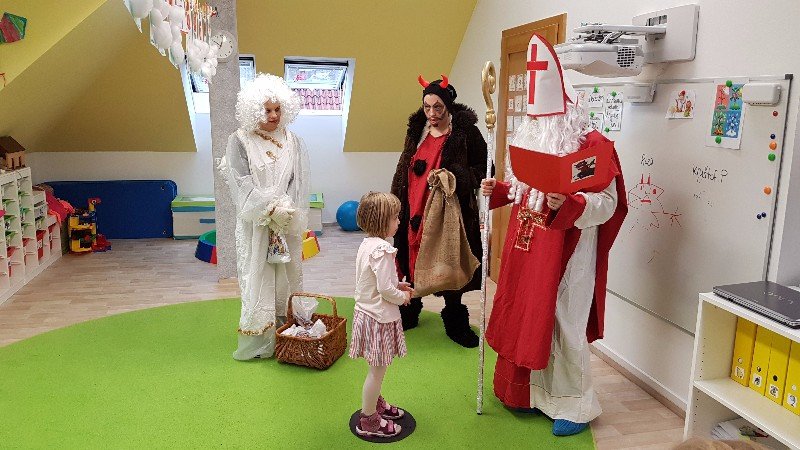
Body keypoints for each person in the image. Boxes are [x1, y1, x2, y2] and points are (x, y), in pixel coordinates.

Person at [480, 34, 627, 436]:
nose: (538, 125)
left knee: (564, 323)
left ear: (566, 109)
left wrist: (572, 204)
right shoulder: (532, 136)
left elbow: (608, 203)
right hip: (528, 248)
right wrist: (501, 190)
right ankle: (525, 395)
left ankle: (573, 406)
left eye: (545, 119)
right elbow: (526, 189)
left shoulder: (592, 145)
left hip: (569, 252)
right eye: (535, 120)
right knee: (523, 315)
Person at [389, 74, 488, 348]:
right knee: (412, 256)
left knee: (448, 262)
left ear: (448, 106)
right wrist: (396, 202)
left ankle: (456, 321)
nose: (432, 113)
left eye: (438, 107)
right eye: (427, 107)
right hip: (413, 206)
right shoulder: (417, 130)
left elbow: (485, 169)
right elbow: (403, 167)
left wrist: (456, 177)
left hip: (448, 213)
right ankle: (410, 309)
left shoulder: (466, 133)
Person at [219, 73, 310, 361]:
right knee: (258, 275)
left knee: (287, 275)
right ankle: (261, 339)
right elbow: (241, 183)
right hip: (256, 224)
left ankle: (288, 334)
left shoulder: (293, 141)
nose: (273, 116)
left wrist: (287, 211)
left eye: (278, 109)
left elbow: (298, 182)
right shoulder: (239, 140)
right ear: (253, 110)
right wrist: (268, 210)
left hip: (285, 221)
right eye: (267, 110)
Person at [350, 191, 413, 438]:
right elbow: (385, 289)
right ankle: (369, 420)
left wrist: (398, 286)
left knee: (376, 369)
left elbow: (377, 281)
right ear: (382, 221)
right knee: (377, 372)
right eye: (395, 217)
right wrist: (402, 297)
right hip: (378, 318)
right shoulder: (383, 249)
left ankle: (374, 403)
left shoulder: (367, 244)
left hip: (366, 314)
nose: (399, 221)